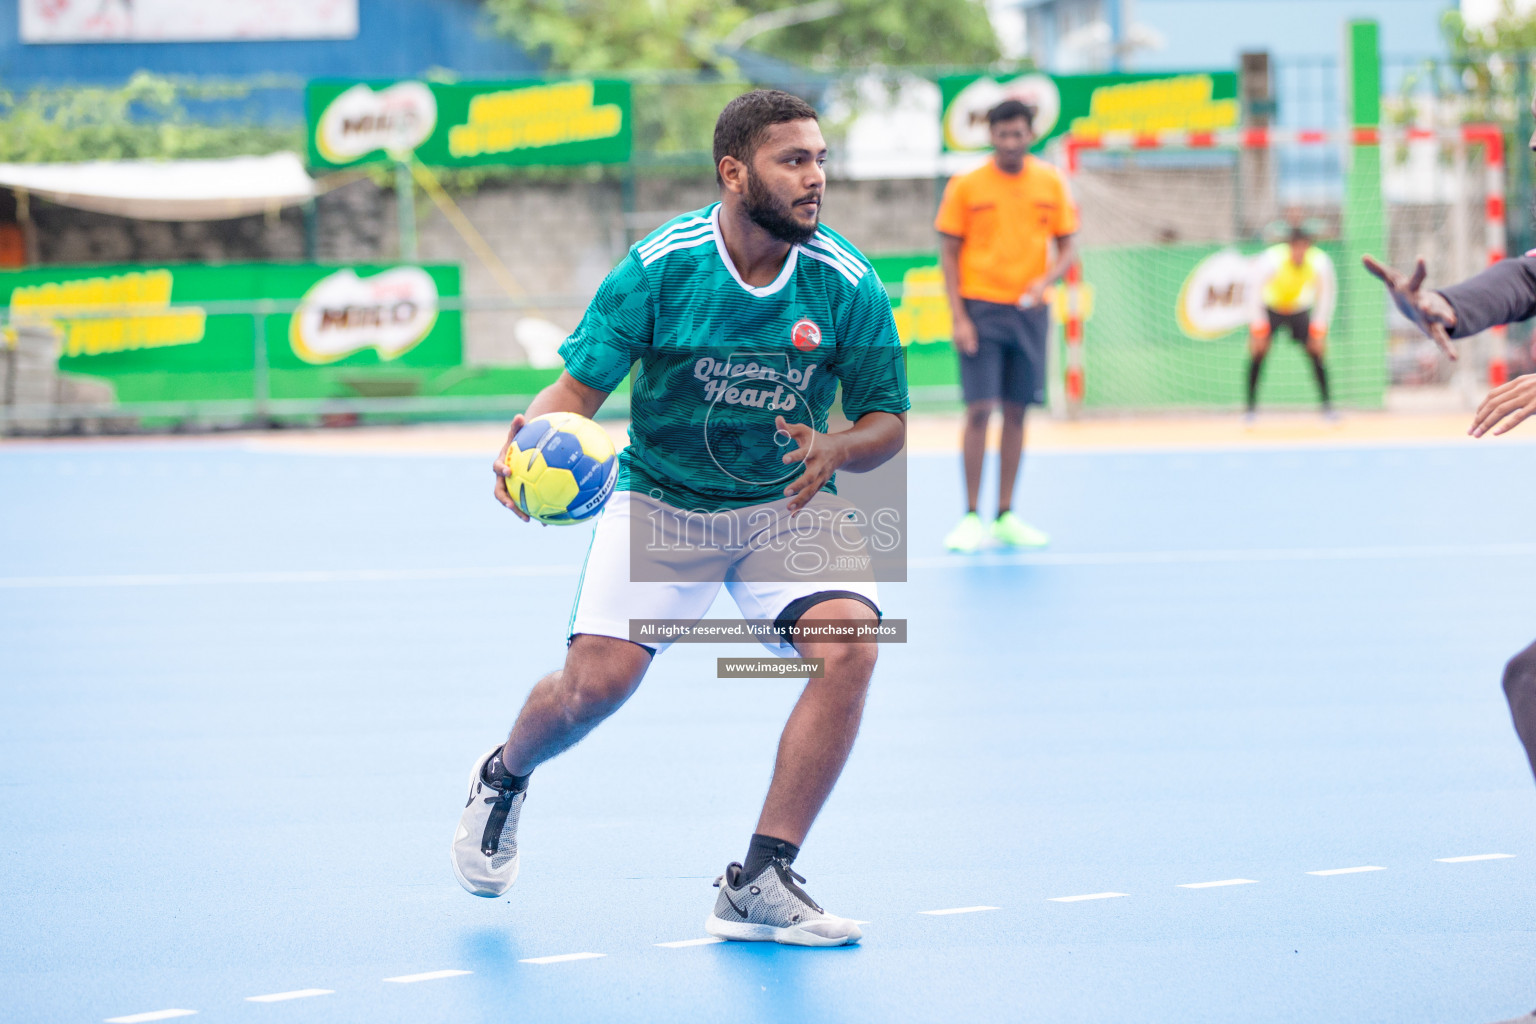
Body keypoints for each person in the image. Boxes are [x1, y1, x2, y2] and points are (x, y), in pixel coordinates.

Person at [450, 90, 909, 948]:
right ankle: (505, 775)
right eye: (793, 161)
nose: (816, 179)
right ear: (734, 173)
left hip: (785, 506)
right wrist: (527, 446)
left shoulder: (848, 283)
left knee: (851, 641)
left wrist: (838, 449)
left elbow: (887, 423)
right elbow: (577, 392)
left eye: (820, 160)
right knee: (595, 690)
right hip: (662, 502)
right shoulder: (661, 269)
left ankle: (761, 879)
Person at [935, 99, 1079, 554]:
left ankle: (1005, 513)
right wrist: (959, 316)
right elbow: (948, 253)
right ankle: (971, 515)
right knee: (980, 410)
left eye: (1019, 133)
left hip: (1029, 312)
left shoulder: (1050, 182)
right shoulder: (966, 185)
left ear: (1030, 135)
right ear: (991, 136)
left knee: (1017, 411)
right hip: (980, 309)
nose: (1011, 141)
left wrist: (1046, 279)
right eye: (1003, 134)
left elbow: (1069, 244)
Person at [1247, 224, 1337, 419]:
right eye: (1296, 247)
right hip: (1272, 308)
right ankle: (1250, 409)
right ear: (1290, 247)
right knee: (1258, 353)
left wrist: (1319, 329)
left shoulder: (1319, 262)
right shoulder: (1272, 259)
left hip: (1299, 310)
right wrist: (1258, 328)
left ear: (1309, 247)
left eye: (1304, 247)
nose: (1300, 252)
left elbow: (1326, 296)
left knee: (1316, 353)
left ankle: (1328, 407)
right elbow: (1253, 291)